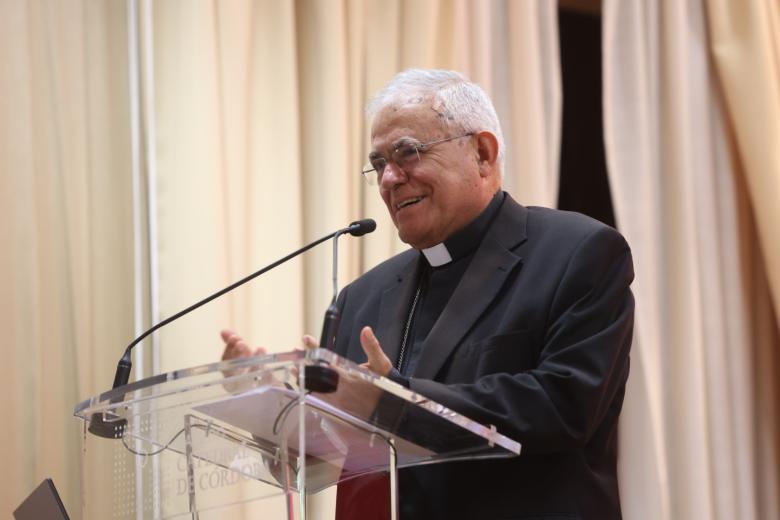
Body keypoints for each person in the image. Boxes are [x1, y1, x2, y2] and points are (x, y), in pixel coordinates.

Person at [222, 69, 634, 519]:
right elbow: (318, 464)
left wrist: (394, 400)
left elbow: (563, 405)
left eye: (407, 153)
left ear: (482, 153)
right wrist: (270, 412)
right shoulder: (361, 298)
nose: (389, 180)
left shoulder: (577, 252)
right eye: (378, 164)